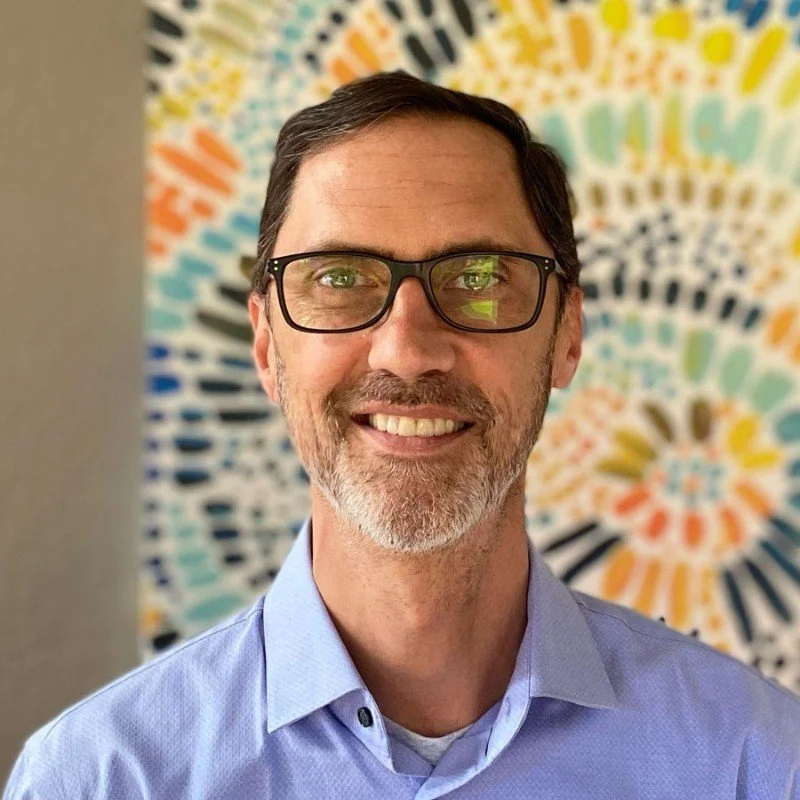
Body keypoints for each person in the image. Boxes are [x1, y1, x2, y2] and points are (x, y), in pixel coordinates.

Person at [5, 70, 799, 800]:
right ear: (264, 346)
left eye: (481, 279)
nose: (408, 350)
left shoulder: (754, 762)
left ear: (567, 335)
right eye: (340, 278)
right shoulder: (100, 778)